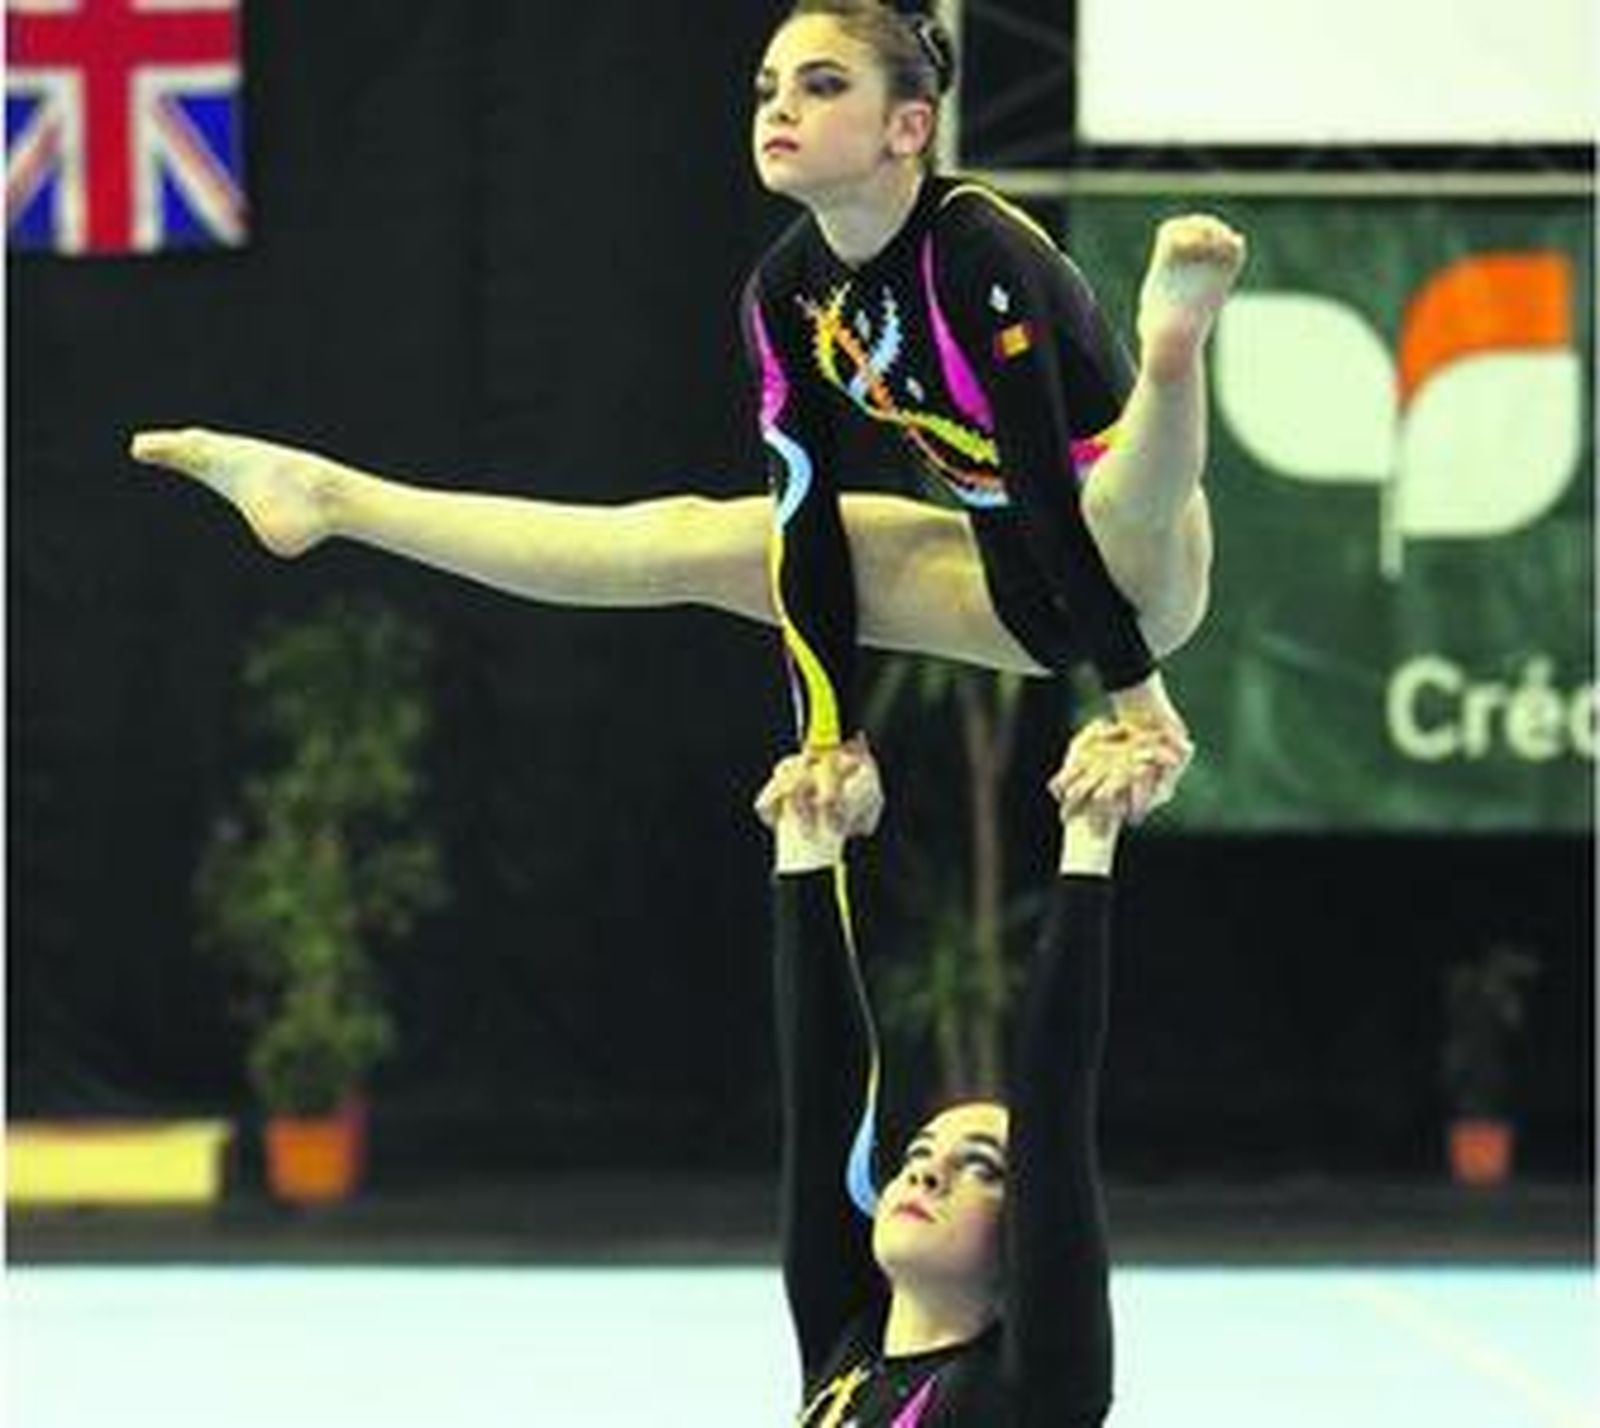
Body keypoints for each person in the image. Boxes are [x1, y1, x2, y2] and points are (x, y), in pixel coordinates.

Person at [130, 0, 1243, 823]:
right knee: (689, 536)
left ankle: (1170, 353)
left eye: (819, 86)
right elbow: (802, 524)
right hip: (1005, 580)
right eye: (767, 88)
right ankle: (331, 496)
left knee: (1119, 490)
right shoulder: (786, 294)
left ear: (908, 127)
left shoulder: (978, 248)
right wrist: (829, 736)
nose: (780, 109)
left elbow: (1045, 481)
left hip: (1133, 577)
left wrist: (1138, 702)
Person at [757, 714, 1182, 1426]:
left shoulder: (1034, 1394)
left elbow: (1055, 1104)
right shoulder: (845, 1351)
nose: (925, 1174)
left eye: (982, 1168)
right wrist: (807, 839)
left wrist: (1090, 834)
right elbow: (821, 1093)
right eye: (919, 1155)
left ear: (1023, 1233)